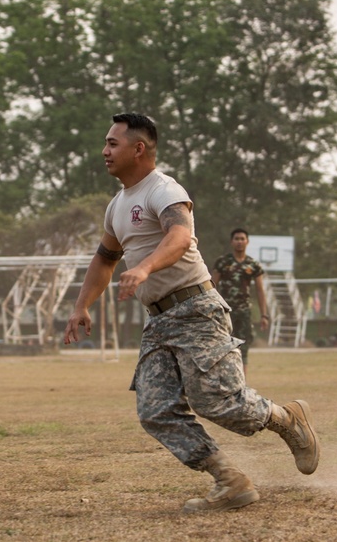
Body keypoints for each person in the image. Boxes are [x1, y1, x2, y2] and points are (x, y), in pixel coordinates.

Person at [64, 113, 319, 514]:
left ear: (139, 148)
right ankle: (229, 480)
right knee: (156, 410)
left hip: (195, 308)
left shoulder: (163, 190)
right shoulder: (117, 205)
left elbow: (180, 236)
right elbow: (104, 258)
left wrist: (145, 267)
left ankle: (287, 418)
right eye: (106, 143)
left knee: (220, 403)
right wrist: (81, 306)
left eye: (113, 143)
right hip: (159, 320)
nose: (105, 151)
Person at [211, 228, 269, 376]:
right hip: (224, 311)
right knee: (223, 344)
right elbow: (211, 286)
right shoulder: (223, 262)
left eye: (242, 239)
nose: (239, 242)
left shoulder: (253, 265)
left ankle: (242, 382)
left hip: (244, 311)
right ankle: (225, 378)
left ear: (247, 242)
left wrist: (264, 315)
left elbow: (260, 290)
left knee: (243, 346)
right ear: (232, 242)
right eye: (236, 239)